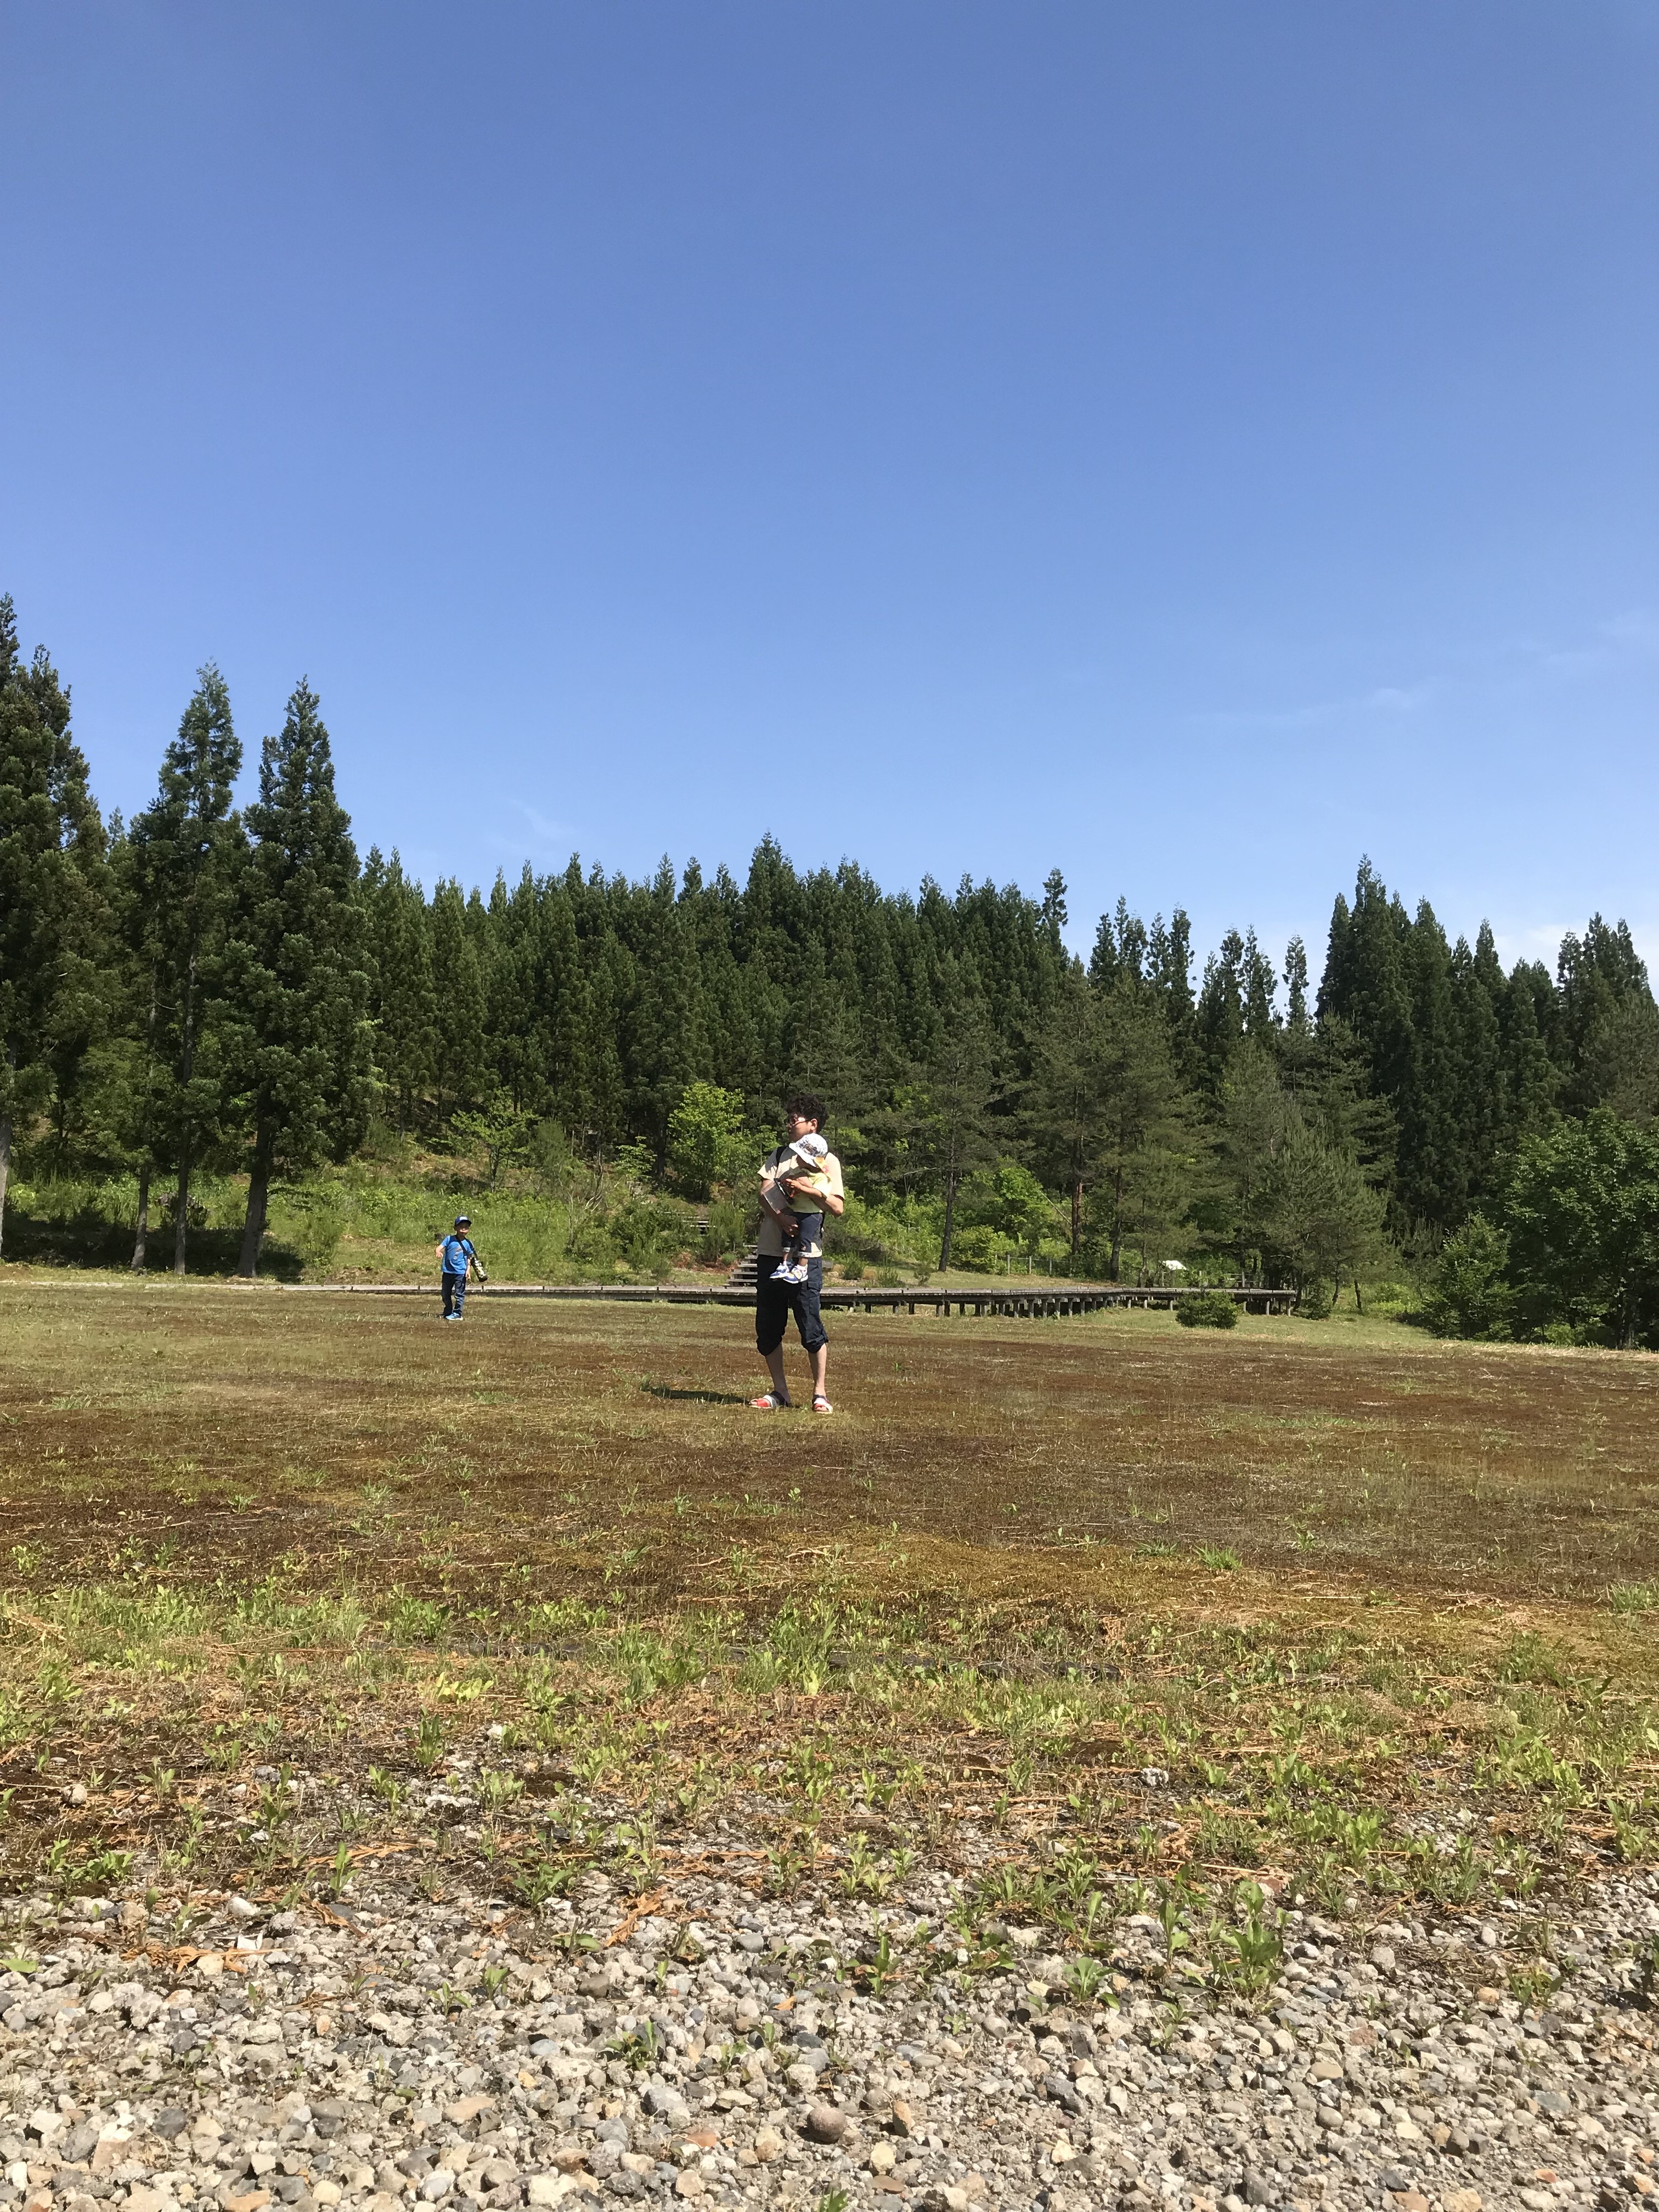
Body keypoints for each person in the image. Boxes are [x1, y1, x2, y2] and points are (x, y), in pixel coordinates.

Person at [750, 1094, 844, 1413]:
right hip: (771, 1253)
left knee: (810, 1325)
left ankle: (820, 1394)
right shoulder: (778, 1155)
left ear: (812, 1124)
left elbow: (837, 1207)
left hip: (808, 1257)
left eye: (794, 1119)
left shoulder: (828, 1161)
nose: (789, 1124)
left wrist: (808, 1189)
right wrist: (780, 1218)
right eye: (788, 1119)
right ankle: (780, 1392)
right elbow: (764, 1194)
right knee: (768, 1327)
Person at [760, 1130, 833, 1285]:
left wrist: (801, 1187)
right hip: (796, 1210)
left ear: (809, 1161)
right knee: (788, 1238)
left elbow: (820, 1194)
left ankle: (802, 1268)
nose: (796, 1158)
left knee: (805, 1240)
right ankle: (785, 1264)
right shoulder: (798, 1171)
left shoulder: (821, 1176)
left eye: (800, 1156)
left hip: (811, 1214)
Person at [436, 1215, 486, 1320]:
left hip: (460, 1272)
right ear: (455, 1228)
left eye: (466, 1227)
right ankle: (448, 1311)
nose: (463, 1229)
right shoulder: (449, 1239)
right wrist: (438, 1251)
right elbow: (439, 1248)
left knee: (459, 1294)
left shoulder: (468, 1243)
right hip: (448, 1271)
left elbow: (469, 1257)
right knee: (445, 1293)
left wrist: (468, 1270)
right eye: (461, 1226)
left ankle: (458, 1313)